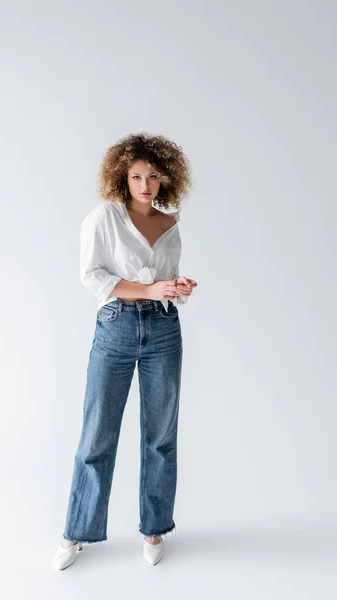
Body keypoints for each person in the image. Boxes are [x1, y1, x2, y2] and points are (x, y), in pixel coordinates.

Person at [52, 132, 198, 570]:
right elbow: (92, 276)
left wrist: (176, 287)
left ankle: (154, 527)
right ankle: (76, 532)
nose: (145, 185)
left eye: (153, 176)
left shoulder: (171, 224)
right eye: (137, 176)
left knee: (160, 436)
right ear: (123, 177)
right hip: (115, 327)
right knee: (97, 433)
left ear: (166, 179)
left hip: (163, 328)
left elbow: (163, 281)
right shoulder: (104, 218)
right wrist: (150, 287)